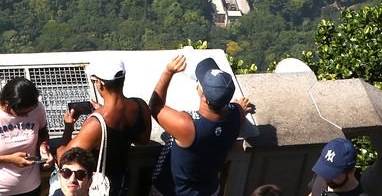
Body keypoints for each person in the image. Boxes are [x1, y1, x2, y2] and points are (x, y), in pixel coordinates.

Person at [147, 55, 254, 196]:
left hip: (171, 191)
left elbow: (155, 106)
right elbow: (237, 108)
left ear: (204, 97)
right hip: (209, 191)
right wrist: (239, 107)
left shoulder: (187, 125)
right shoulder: (235, 116)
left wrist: (168, 72)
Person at [55, 58, 152, 196]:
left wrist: (68, 127)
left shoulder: (96, 124)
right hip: (123, 180)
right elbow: (143, 140)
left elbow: (64, 160)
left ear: (100, 84)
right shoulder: (141, 106)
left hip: (99, 187)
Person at [0, 76, 52, 196]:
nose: (28, 115)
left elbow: (42, 132)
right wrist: (10, 159)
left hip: (31, 188)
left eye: (30, 111)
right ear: (7, 104)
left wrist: (43, 146)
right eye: (23, 113)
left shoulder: (37, 108)